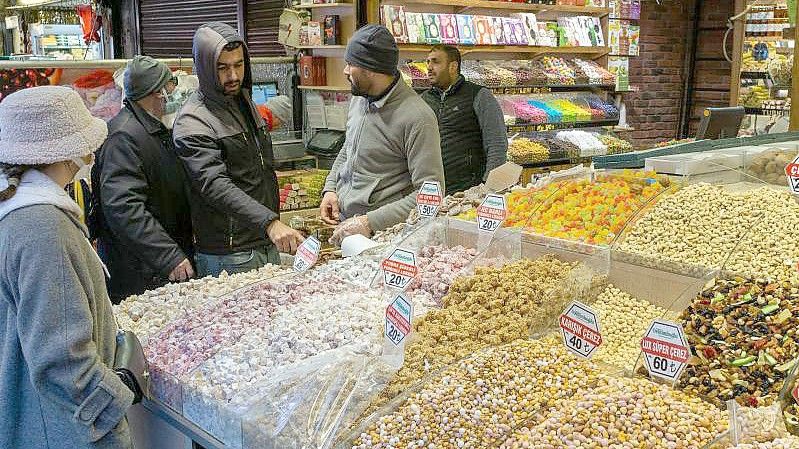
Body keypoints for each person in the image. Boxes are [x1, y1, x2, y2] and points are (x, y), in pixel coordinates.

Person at [0, 86, 143, 449]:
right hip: (66, 430)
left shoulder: (17, 207)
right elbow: (62, 362)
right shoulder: (42, 229)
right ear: (64, 151)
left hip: (35, 418)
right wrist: (118, 395)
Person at [173, 22, 304, 277]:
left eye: (239, 65)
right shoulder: (193, 120)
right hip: (230, 253)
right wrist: (268, 222)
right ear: (204, 68)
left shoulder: (242, 102)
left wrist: (268, 225)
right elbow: (214, 184)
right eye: (222, 68)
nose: (233, 76)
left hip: (262, 241)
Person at [320, 25, 445, 244]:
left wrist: (369, 222)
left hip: (385, 239)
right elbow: (348, 148)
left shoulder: (418, 117)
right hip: (346, 227)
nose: (345, 71)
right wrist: (331, 189)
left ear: (371, 69)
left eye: (351, 64)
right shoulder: (360, 98)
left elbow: (430, 197)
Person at [91, 55, 195, 303]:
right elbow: (123, 206)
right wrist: (167, 255)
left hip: (153, 265)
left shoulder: (150, 128)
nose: (174, 93)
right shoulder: (124, 137)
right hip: (139, 271)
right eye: (171, 87)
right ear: (157, 92)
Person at [422, 45, 508, 194]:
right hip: (431, 190)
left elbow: (497, 143)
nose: (429, 67)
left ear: (453, 66)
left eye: (435, 62)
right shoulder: (423, 100)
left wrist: (489, 186)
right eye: (428, 62)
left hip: (469, 190)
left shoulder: (479, 96)